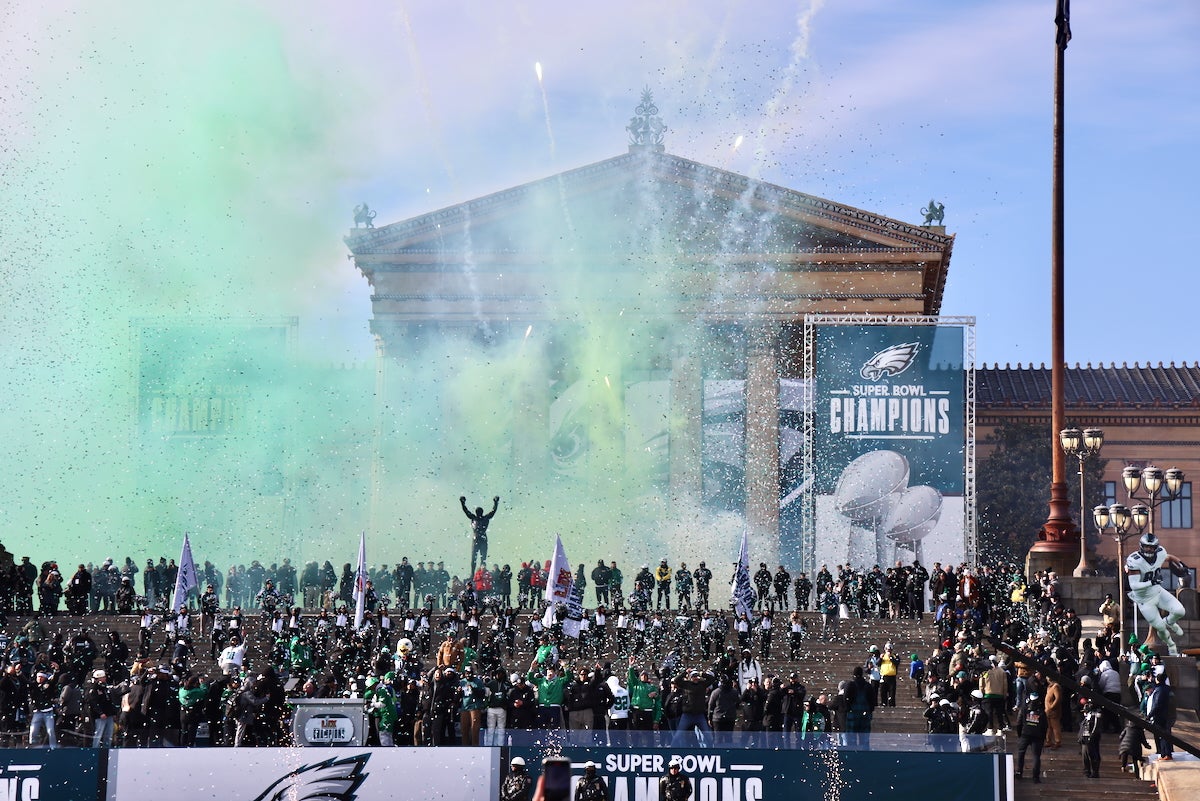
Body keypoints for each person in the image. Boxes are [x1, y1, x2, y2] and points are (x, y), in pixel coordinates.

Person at [1125, 532, 1188, 656]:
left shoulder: (1160, 552)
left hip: (1157, 591)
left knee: (1180, 611)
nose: (1149, 549)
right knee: (1160, 627)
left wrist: (1181, 563)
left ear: (1156, 547)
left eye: (1152, 547)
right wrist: (1151, 581)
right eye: (1147, 546)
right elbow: (1134, 586)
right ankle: (1171, 645)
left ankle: (1169, 621)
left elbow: (1168, 557)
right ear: (1141, 546)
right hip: (1144, 598)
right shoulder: (1135, 560)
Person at [460, 495, 499, 575]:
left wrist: (463, 503)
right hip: (481, 538)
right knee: (482, 557)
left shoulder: (475, 518)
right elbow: (493, 511)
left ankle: (475, 573)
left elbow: (466, 510)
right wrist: (496, 502)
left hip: (477, 538)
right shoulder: (483, 518)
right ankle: (474, 573)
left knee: (477, 557)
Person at [1015, 690, 1047, 783]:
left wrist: (1020, 734)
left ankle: (1019, 772)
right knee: (1036, 756)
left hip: (1025, 734)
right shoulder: (1041, 711)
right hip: (1037, 736)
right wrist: (1043, 736)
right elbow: (1045, 725)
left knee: (1021, 754)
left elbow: (1018, 722)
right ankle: (1035, 777)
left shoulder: (1024, 709)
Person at [1145, 671, 1174, 761]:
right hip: (1166, 715)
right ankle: (1166, 753)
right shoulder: (1166, 689)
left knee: (1162, 735)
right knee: (1166, 734)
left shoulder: (1160, 690)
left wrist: (1149, 716)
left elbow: (1157, 705)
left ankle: (1165, 754)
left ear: (1157, 680)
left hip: (1160, 716)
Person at [1078, 698, 1103, 778]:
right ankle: (1086, 771)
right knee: (1085, 754)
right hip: (1085, 736)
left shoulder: (1096, 713)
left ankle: (1095, 771)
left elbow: (1096, 725)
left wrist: (1092, 735)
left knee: (1093, 754)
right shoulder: (1087, 714)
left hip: (1092, 736)